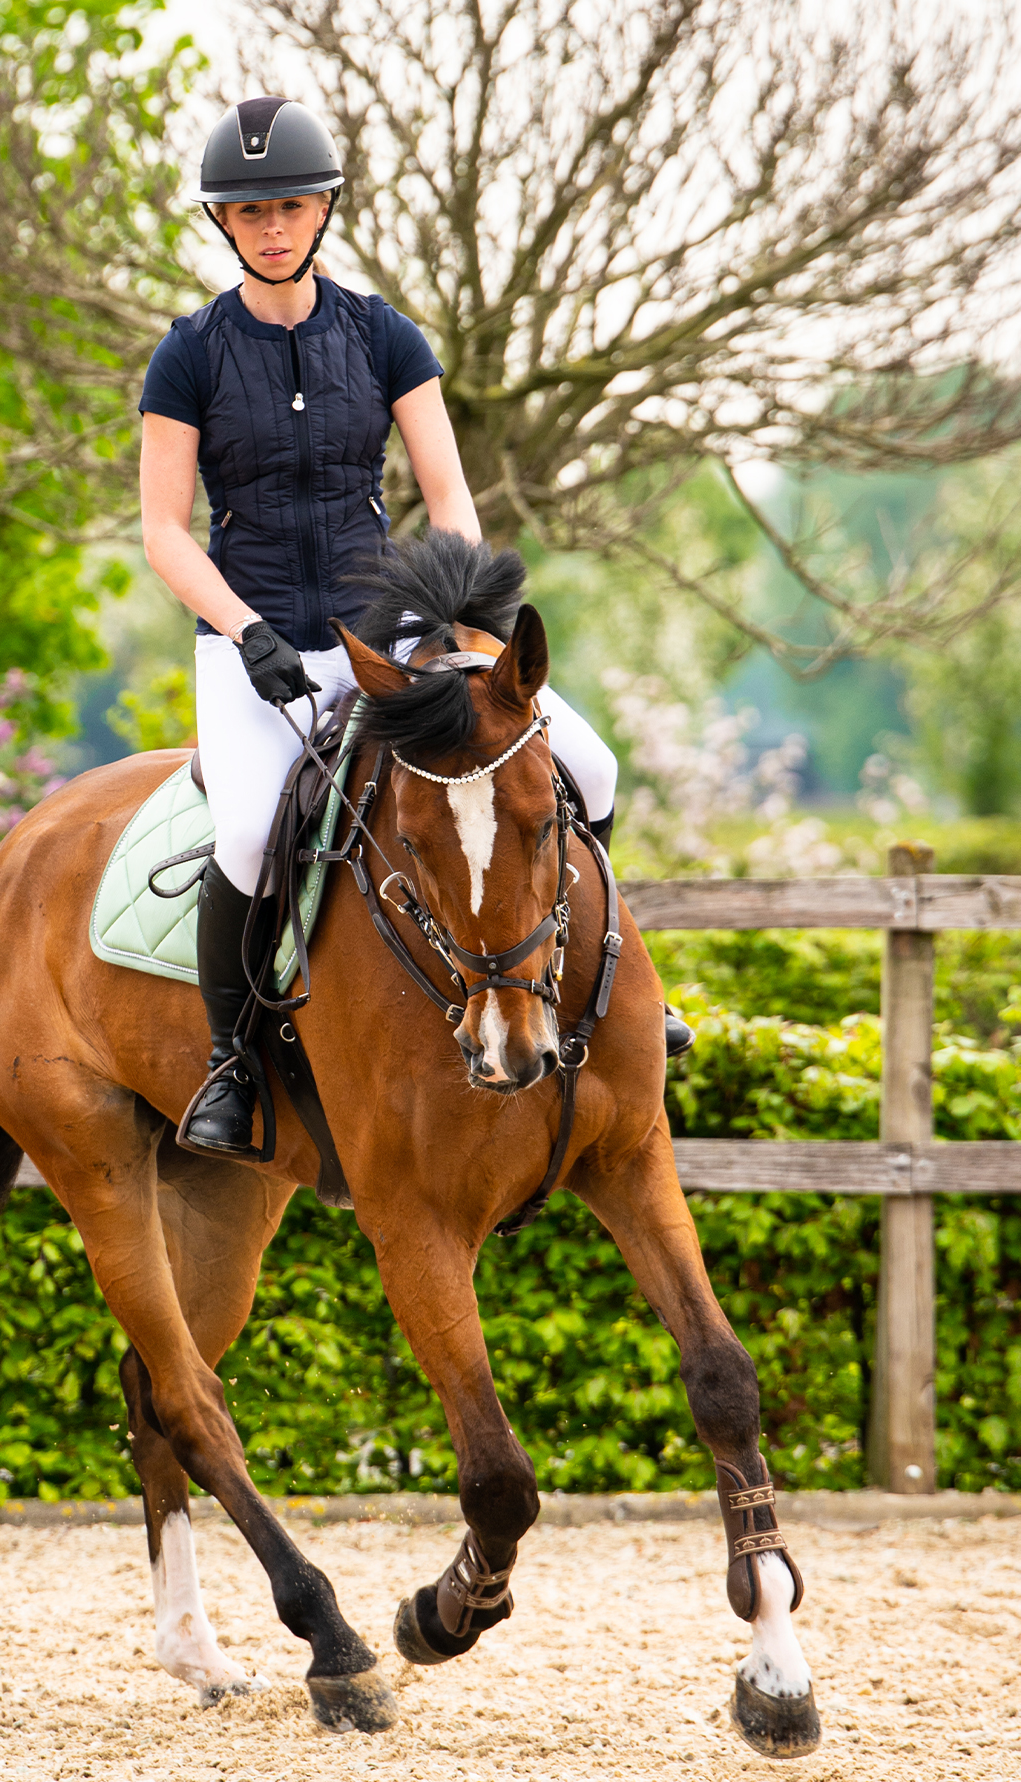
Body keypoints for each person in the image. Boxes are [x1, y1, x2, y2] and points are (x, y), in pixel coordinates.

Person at [139, 97, 687, 1157]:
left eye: (290, 204)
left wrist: (447, 618)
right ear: (223, 223)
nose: (272, 227)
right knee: (253, 832)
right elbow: (163, 529)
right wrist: (243, 627)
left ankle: (602, 979)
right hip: (255, 649)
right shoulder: (190, 355)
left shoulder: (384, 335)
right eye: (249, 212)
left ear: (325, 208)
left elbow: (450, 499)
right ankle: (231, 1060)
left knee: (594, 763)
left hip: (391, 640)